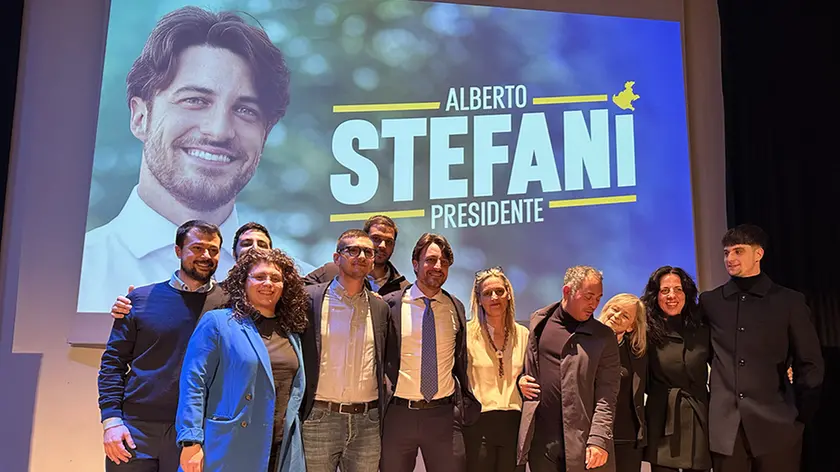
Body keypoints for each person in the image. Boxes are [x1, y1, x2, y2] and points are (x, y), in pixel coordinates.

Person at [78, 6, 313, 313]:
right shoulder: (75, 274)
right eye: (195, 100)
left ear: (265, 135)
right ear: (140, 117)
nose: (218, 131)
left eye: (245, 110)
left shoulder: (305, 286)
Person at [97, 220, 226, 471]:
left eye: (213, 250)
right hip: (135, 431)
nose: (206, 256)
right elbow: (113, 364)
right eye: (197, 248)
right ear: (178, 251)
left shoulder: (229, 304)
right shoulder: (139, 300)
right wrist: (111, 421)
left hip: (197, 434)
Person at [701, 225, 824, 472]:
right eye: (726, 253)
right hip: (727, 432)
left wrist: (797, 415)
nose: (730, 259)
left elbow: (810, 364)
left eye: (738, 251)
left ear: (758, 254)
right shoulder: (710, 301)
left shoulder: (789, 301)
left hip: (777, 427)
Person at [176, 248, 309, 472]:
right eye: (259, 277)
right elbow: (193, 383)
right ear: (243, 282)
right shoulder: (218, 322)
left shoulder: (291, 333)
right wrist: (191, 440)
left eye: (276, 278)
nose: (268, 283)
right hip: (231, 444)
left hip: (279, 446)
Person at [380, 232, 481, 472]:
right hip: (398, 415)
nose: (438, 267)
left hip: (443, 415)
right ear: (415, 264)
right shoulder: (389, 305)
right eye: (431, 260)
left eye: (444, 263)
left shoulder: (455, 306)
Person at [299, 229, 391, 472]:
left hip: (367, 422)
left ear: (373, 261)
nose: (361, 256)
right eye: (352, 250)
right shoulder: (310, 300)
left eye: (367, 252)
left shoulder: (380, 307)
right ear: (336, 258)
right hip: (319, 418)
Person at [517, 265, 620, 472]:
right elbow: (528, 365)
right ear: (567, 291)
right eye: (589, 296)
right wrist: (520, 379)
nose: (594, 304)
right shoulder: (540, 321)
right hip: (541, 442)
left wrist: (599, 439)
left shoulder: (603, 337)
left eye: (598, 298)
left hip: (581, 443)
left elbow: (607, 395)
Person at [107, 221, 273, 319]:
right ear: (234, 254)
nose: (254, 249)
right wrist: (132, 304)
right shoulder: (225, 295)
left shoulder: (287, 291)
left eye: (262, 244)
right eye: (246, 244)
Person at [641, 266, 711, 472]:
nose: (672, 296)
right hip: (662, 418)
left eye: (678, 289)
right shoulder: (645, 330)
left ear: (687, 294)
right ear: (656, 295)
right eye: (665, 290)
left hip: (699, 415)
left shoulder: (702, 328)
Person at [463, 266, 529, 472]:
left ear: (508, 294)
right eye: (487, 293)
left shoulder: (524, 334)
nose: (494, 297)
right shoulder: (466, 334)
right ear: (478, 300)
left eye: (499, 291)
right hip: (479, 424)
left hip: (513, 424)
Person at [597, 294, 647, 472]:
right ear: (605, 309)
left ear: (631, 326)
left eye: (625, 315)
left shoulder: (637, 352)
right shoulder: (583, 344)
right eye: (615, 309)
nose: (617, 316)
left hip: (627, 437)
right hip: (593, 437)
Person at [305, 215, 409, 296]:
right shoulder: (331, 271)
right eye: (376, 239)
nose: (382, 246)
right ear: (364, 239)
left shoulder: (403, 288)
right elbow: (297, 291)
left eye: (389, 242)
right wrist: (332, 292)